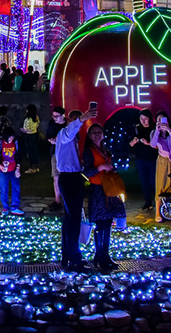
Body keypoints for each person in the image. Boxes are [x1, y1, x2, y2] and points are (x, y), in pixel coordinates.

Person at [55, 106, 97, 271]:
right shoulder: (65, 134)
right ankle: (73, 257)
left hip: (74, 176)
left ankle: (68, 255)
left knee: (71, 218)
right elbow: (70, 132)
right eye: (78, 121)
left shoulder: (74, 138)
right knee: (72, 219)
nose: (80, 125)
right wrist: (82, 118)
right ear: (70, 120)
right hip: (69, 177)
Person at [82, 123, 125, 271]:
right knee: (101, 224)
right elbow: (86, 172)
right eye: (94, 132)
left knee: (108, 223)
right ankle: (100, 255)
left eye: (99, 132)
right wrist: (100, 168)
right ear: (89, 135)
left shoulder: (105, 151)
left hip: (109, 190)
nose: (97, 134)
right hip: (98, 190)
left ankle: (105, 255)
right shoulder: (89, 152)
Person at [150, 112, 171, 222]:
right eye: (159, 119)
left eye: (163, 119)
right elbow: (153, 144)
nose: (161, 121)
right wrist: (158, 131)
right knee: (161, 184)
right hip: (163, 161)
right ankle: (158, 211)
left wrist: (169, 130)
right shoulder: (154, 132)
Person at [130, 109, 158, 211]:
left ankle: (158, 202)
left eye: (145, 119)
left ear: (150, 119)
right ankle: (148, 202)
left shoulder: (154, 128)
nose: (143, 121)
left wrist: (148, 143)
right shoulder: (137, 129)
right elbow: (130, 144)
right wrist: (133, 142)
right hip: (140, 158)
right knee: (144, 181)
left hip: (152, 158)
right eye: (141, 119)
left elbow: (157, 146)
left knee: (153, 181)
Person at [0, 127, 23, 216]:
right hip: (2, 171)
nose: (11, 139)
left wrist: (18, 168)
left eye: (12, 138)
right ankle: (5, 207)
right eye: (9, 138)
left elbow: (19, 155)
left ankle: (15, 207)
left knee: (16, 188)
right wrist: (0, 165)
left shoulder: (16, 142)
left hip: (13, 169)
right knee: (4, 189)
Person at [45, 107, 66, 210]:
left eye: (57, 116)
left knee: (65, 177)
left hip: (66, 154)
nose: (54, 118)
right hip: (55, 152)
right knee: (56, 177)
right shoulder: (52, 123)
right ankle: (57, 200)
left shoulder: (67, 124)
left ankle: (66, 199)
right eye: (53, 116)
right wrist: (51, 140)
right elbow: (48, 135)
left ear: (63, 116)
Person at [20, 104, 40, 174]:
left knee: (30, 152)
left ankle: (32, 167)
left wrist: (22, 130)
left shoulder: (28, 118)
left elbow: (26, 129)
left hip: (29, 137)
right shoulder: (36, 117)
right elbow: (37, 126)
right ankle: (36, 167)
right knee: (35, 152)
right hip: (35, 135)